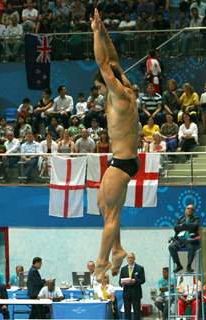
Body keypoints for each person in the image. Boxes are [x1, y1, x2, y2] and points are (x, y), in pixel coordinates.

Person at [91, 8, 139, 281]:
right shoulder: (129, 87)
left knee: (110, 215)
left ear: (107, 85)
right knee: (101, 204)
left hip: (122, 162)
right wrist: (103, 30)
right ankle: (117, 249)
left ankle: (100, 263)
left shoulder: (120, 95)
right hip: (124, 161)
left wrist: (96, 33)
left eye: (100, 88)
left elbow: (103, 64)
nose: (100, 93)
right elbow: (113, 60)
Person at [168, 203, 201, 273]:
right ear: (185, 210)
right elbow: (176, 228)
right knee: (171, 247)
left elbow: (194, 226)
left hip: (190, 240)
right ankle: (178, 265)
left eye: (192, 209)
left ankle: (189, 266)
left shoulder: (196, 219)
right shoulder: (180, 218)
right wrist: (186, 226)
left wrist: (183, 225)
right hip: (179, 239)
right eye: (188, 208)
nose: (190, 210)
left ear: (193, 211)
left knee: (191, 247)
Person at [119, 253, 145, 320]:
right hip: (126, 293)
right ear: (127, 259)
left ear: (134, 258)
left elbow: (143, 280)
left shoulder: (140, 268)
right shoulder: (123, 269)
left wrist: (135, 281)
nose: (130, 259)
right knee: (127, 312)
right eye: (128, 258)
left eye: (131, 257)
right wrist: (122, 283)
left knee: (137, 312)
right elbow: (120, 281)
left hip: (136, 292)